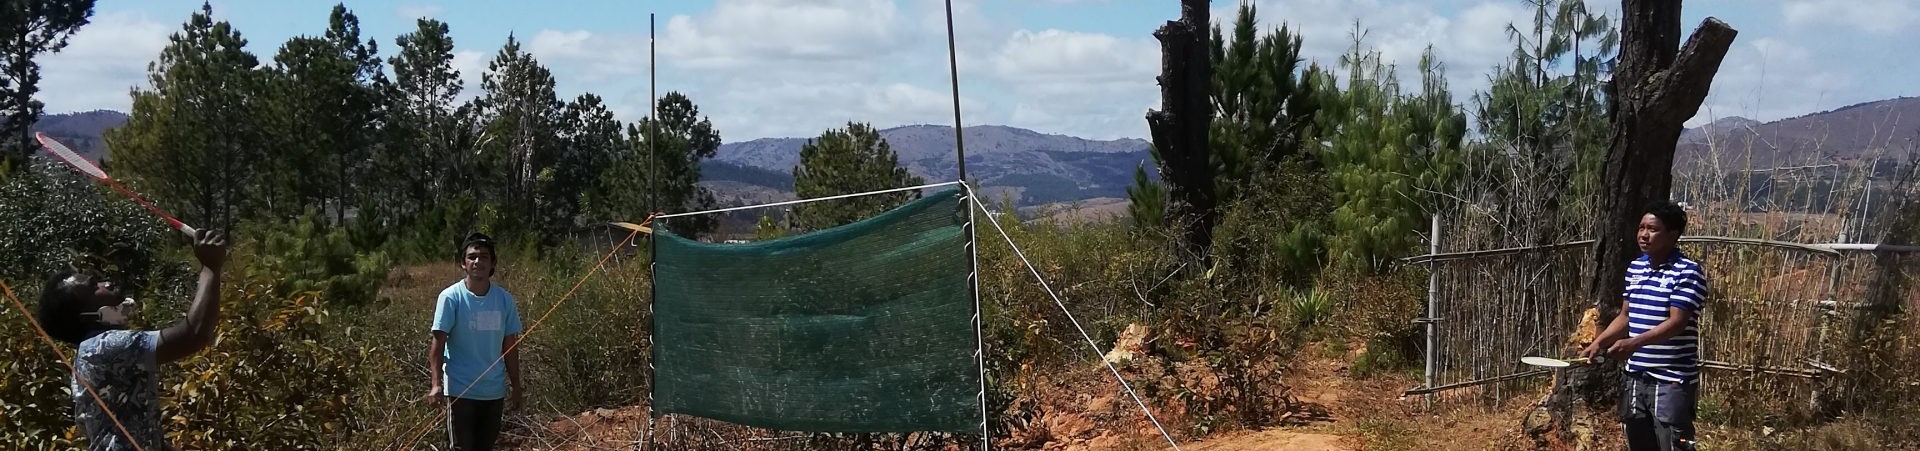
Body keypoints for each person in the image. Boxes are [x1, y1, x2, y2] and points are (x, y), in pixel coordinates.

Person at [36, 229, 229, 450]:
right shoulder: (104, 346)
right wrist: (210, 267)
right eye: (93, 287)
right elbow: (194, 334)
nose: (105, 284)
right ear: (87, 315)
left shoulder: (93, 351)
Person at [1582, 201, 1707, 451]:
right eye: (1641, 228)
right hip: (1636, 377)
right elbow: (1626, 316)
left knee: (1676, 443)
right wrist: (1599, 342)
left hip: (1672, 380)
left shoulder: (1687, 272)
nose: (1643, 235)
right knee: (1639, 442)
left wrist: (1635, 343)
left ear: (1672, 235)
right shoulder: (1636, 268)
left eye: (1652, 229)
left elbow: (1677, 323)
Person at [427, 232, 524, 451]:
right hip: (460, 391)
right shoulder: (451, 297)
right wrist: (435, 384)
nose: (478, 261)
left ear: (492, 263)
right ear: (463, 263)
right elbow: (438, 344)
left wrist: (516, 385)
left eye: (484, 257)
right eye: (472, 257)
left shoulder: (505, 300)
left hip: (493, 392)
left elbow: (510, 346)